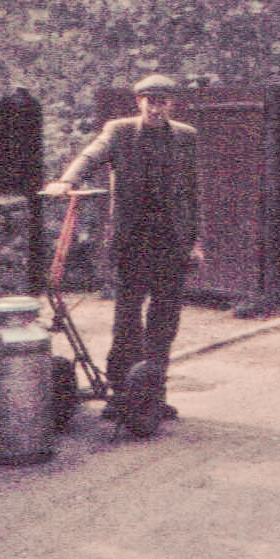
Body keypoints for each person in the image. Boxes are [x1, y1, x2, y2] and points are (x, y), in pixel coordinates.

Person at [42, 74, 203, 420]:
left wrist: (195, 242)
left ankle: (153, 397)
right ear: (138, 102)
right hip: (133, 242)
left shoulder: (186, 137)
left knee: (164, 322)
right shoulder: (120, 131)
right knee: (127, 319)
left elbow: (192, 195)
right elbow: (91, 155)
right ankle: (120, 394)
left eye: (161, 100)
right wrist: (68, 180)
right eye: (147, 99)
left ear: (172, 104)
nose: (153, 106)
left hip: (171, 242)